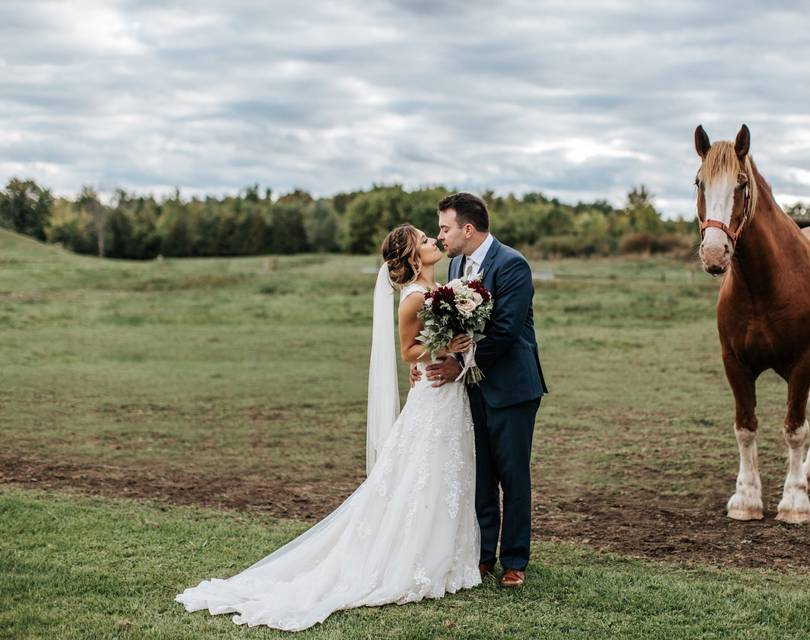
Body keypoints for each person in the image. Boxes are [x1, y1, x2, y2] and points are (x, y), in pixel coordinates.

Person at [175, 224, 480, 632]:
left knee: (444, 474)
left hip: (447, 395)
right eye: (425, 240)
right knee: (421, 476)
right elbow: (408, 350)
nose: (433, 243)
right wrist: (448, 347)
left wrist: (459, 344)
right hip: (432, 398)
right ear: (411, 257)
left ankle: (446, 554)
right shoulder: (414, 299)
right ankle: (415, 558)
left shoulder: (440, 290)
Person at [416, 192, 547, 588]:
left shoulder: (512, 265)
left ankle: (515, 560)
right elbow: (453, 324)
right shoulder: (457, 263)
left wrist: (462, 363)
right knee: (480, 474)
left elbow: (505, 330)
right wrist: (431, 357)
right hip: (471, 390)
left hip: (511, 387)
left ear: (467, 229)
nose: (441, 236)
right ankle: (483, 554)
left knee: (512, 475)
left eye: (445, 228)